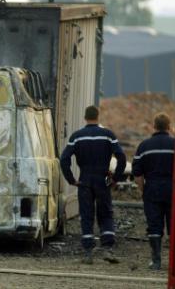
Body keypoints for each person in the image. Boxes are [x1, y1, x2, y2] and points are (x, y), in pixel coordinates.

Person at [60, 105, 126, 264]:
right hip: (102, 180)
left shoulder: (76, 136)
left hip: (84, 180)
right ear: (98, 116)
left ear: (85, 117)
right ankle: (108, 249)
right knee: (105, 213)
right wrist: (115, 178)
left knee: (86, 214)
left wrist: (71, 180)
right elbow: (122, 158)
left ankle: (88, 253)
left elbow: (64, 160)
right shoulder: (108, 135)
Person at [132, 113, 175, 270]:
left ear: (154, 126)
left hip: (152, 189)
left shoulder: (144, 146)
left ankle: (156, 261)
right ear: (169, 127)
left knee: (154, 225)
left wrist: (143, 190)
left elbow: (137, 174)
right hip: (173, 190)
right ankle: (174, 263)